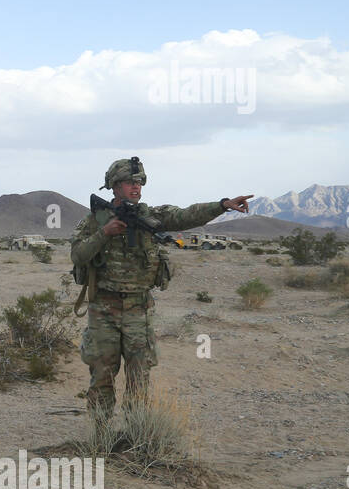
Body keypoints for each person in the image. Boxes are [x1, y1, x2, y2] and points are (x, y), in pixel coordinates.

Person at [70, 156, 252, 426]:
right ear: (115, 185)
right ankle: (100, 437)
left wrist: (222, 205)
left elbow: (186, 215)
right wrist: (104, 233)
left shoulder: (150, 216)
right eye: (130, 182)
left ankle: (137, 436)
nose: (136, 187)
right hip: (103, 310)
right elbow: (77, 256)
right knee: (101, 376)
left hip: (139, 310)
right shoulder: (94, 221)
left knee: (140, 376)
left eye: (140, 182)